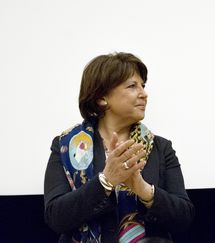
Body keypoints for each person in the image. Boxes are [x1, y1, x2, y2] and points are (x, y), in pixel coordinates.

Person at [44, 52, 194, 242]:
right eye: (132, 86)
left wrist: (144, 190)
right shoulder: (65, 146)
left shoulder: (160, 147)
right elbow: (56, 218)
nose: (144, 94)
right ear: (101, 98)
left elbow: (184, 219)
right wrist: (105, 182)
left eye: (143, 86)